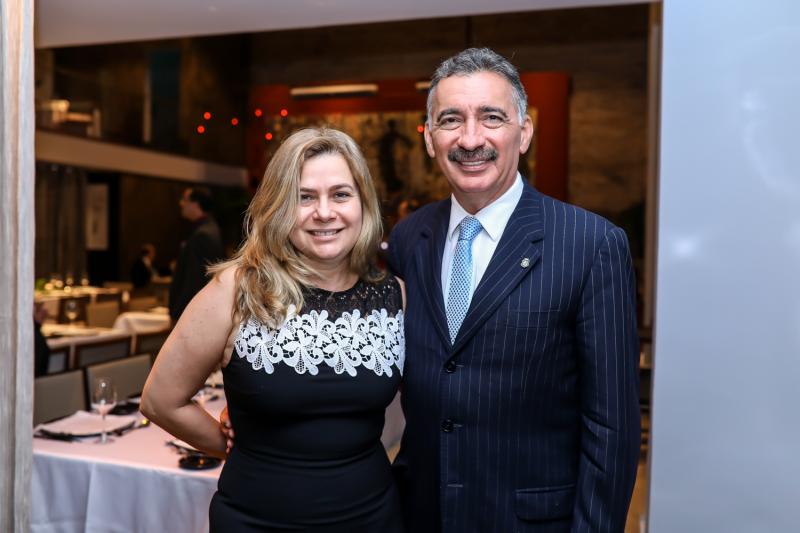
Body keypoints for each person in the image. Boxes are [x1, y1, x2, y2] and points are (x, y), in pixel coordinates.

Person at [386, 48, 640, 532]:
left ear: (523, 133)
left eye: (492, 117)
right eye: (450, 120)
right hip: (421, 516)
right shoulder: (408, 239)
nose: (470, 139)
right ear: (429, 138)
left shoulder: (590, 245)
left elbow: (611, 427)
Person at [141, 127, 405, 532]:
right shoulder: (235, 291)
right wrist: (234, 445)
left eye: (340, 194)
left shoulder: (395, 295)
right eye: (304, 197)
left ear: (364, 203)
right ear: (279, 206)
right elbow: (161, 400)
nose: (324, 212)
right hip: (257, 520)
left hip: (373, 518)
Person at [168, 187, 224, 321]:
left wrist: (178, 314)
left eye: (185, 200)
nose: (181, 203)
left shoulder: (202, 234)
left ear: (195, 204)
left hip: (191, 314)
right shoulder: (209, 228)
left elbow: (194, 281)